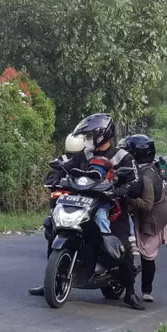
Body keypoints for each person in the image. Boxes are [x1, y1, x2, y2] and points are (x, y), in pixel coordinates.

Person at [29, 113, 145, 310]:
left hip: (113, 209)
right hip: (82, 203)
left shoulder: (123, 157)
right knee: (54, 228)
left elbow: (137, 183)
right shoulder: (83, 154)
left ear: (102, 136)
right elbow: (62, 164)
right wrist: (53, 177)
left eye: (90, 136)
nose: (87, 140)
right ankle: (52, 280)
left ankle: (130, 292)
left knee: (123, 246)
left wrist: (120, 189)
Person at [123, 135, 167, 303]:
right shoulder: (150, 168)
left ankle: (146, 290)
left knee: (146, 255)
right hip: (155, 213)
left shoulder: (145, 177)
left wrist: (128, 199)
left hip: (151, 218)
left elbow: (147, 204)